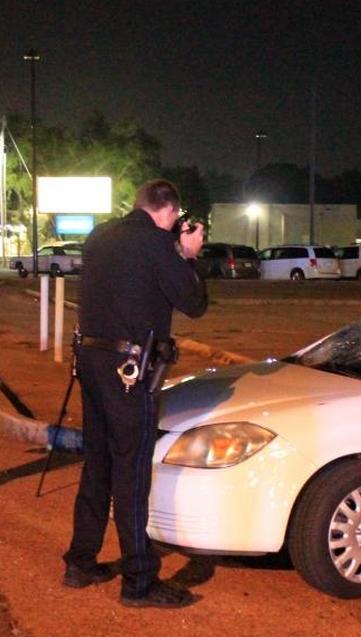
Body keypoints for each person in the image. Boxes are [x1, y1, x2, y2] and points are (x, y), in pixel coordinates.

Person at [62, 179, 208, 608]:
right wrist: (189, 255)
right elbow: (193, 302)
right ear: (168, 212)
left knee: (98, 465)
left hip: (90, 363)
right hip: (129, 373)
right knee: (131, 472)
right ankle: (138, 580)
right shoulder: (157, 243)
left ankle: (80, 561)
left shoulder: (100, 235)